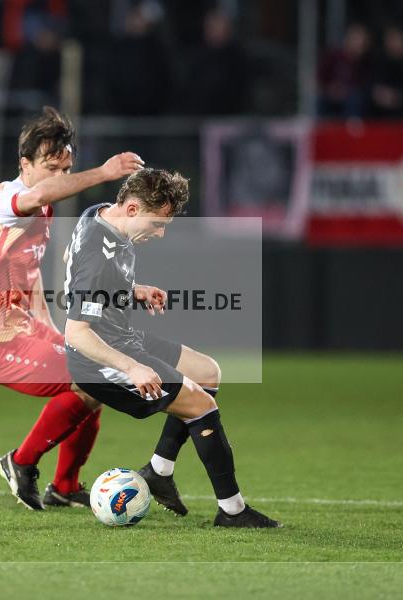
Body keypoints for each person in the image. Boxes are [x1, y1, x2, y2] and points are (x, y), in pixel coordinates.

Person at [63, 168, 280, 528]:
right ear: (131, 209)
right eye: (157, 223)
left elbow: (86, 288)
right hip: (101, 359)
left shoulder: (101, 214)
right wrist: (132, 367)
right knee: (201, 405)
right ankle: (233, 511)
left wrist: (132, 290)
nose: (160, 233)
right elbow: (77, 333)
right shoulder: (95, 253)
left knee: (207, 372)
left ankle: (159, 472)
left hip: (122, 336)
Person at [0, 106, 144, 510]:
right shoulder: (6, 198)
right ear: (23, 164)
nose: (59, 177)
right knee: (92, 378)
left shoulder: (40, 209)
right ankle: (21, 463)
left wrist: (49, 326)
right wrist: (104, 172)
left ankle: (64, 486)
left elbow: (30, 271)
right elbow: (40, 193)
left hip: (22, 326)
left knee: (98, 376)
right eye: (50, 166)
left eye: (66, 168)